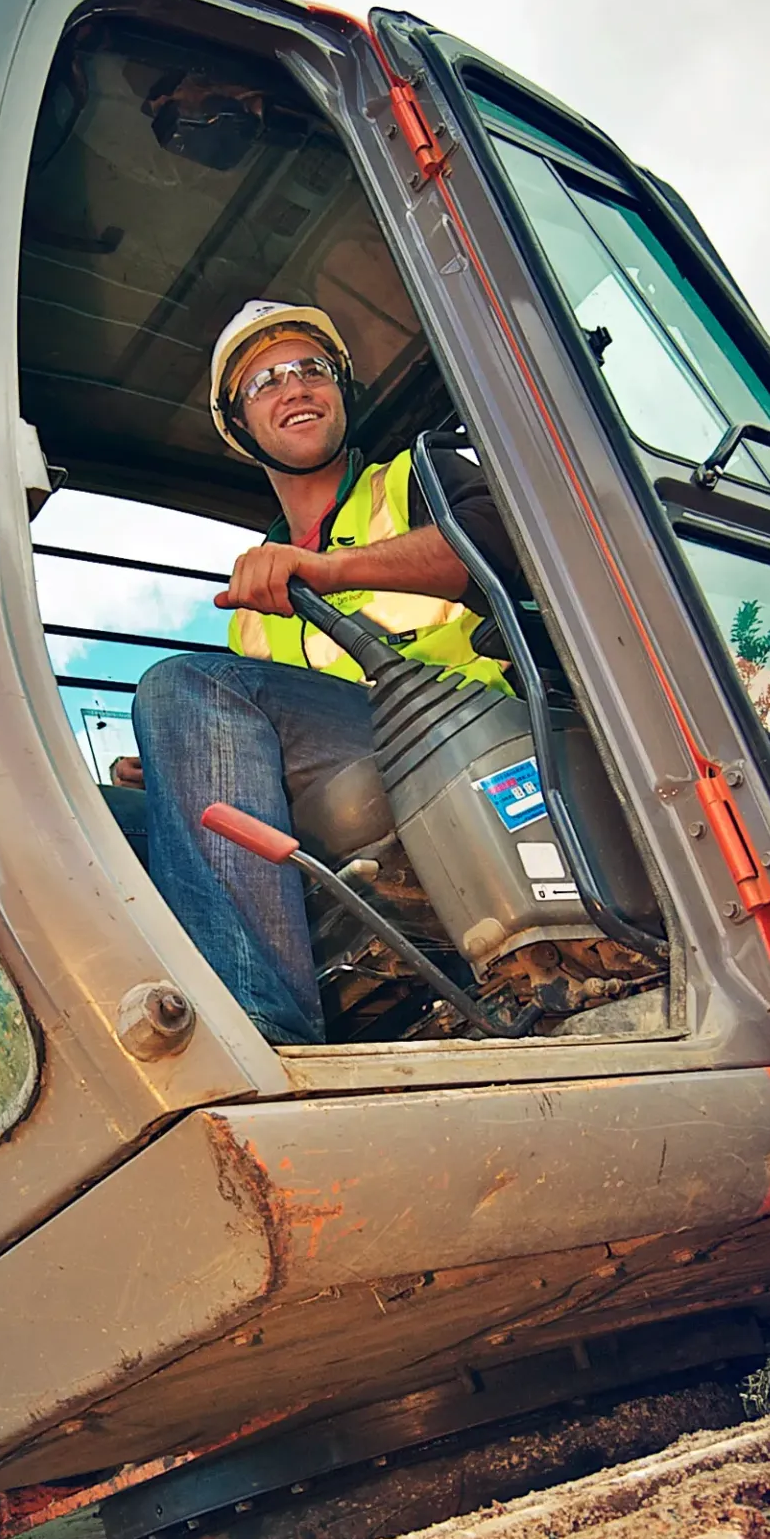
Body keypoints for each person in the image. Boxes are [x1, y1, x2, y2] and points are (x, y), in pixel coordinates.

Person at [127, 300, 515, 1044]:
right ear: (240, 426)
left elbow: (506, 540)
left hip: (458, 733)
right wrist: (185, 762)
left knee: (181, 686)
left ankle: (259, 1032)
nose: (295, 388)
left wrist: (331, 570)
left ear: (341, 389)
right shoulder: (250, 608)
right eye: (266, 381)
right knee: (110, 819)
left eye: (312, 370)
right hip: (337, 763)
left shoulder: (415, 476)